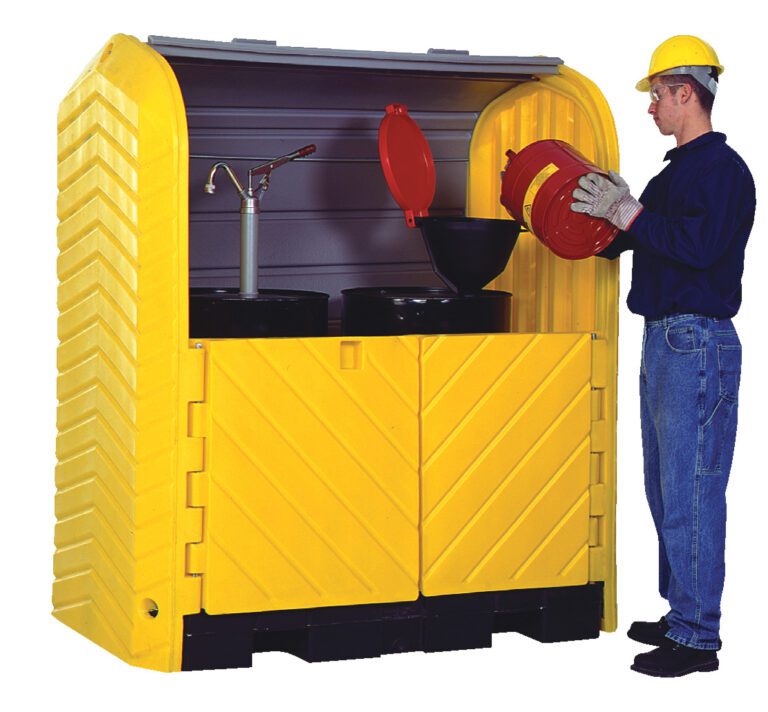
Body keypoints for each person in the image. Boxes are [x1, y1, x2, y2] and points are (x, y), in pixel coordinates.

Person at [569, 35, 756, 677]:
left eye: (656, 95)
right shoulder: (675, 170)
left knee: (692, 489)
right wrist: (600, 220)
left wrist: (631, 214)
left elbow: (696, 246)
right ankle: (683, 609)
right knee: (665, 486)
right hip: (667, 340)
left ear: (685, 93)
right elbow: (643, 233)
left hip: (695, 341)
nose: (651, 107)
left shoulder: (722, 171)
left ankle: (697, 637)